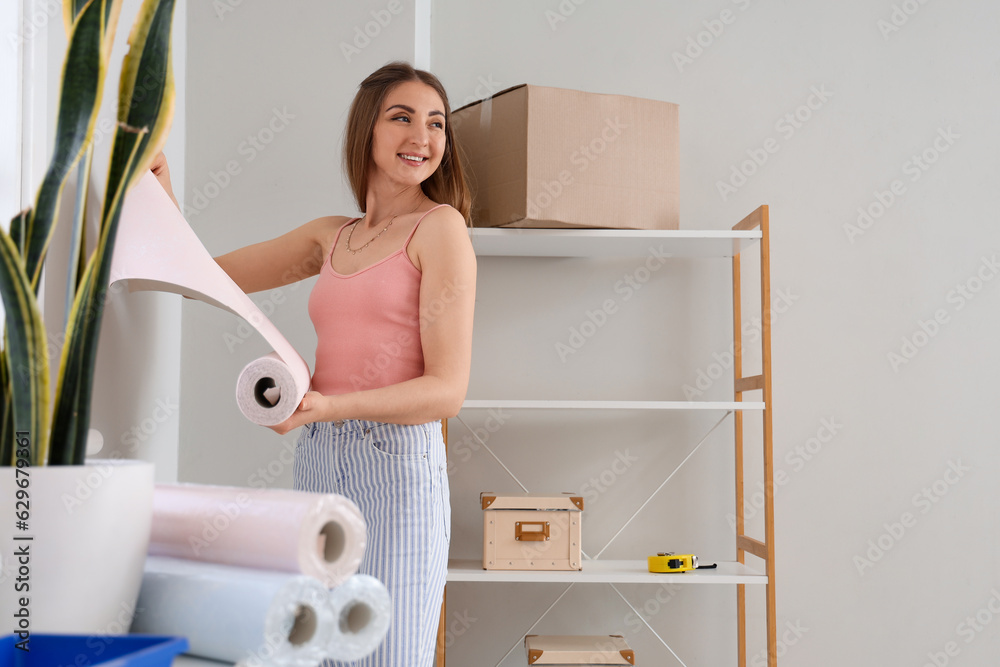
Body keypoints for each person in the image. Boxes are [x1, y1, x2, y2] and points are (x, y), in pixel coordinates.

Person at [150, 61, 476, 667]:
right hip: (323, 453)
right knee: (324, 650)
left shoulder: (440, 229)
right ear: (366, 131)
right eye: (401, 117)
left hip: (397, 467)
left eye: (437, 124)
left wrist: (332, 405)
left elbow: (446, 392)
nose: (423, 137)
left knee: (390, 652)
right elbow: (205, 278)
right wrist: (160, 188)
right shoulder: (332, 236)